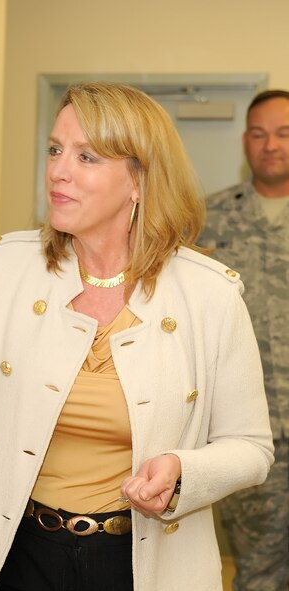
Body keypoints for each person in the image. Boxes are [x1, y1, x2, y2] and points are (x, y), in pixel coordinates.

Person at [0, 82, 275, 591]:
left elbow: (250, 447)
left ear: (139, 180)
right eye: (55, 150)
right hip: (18, 553)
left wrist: (182, 471)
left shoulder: (208, 295)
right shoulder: (6, 269)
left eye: (86, 156)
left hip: (142, 560)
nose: (59, 170)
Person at [198, 89, 289, 591]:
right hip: (249, 432)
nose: (270, 145)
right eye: (259, 134)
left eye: (284, 133)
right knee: (256, 573)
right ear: (245, 142)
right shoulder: (207, 219)